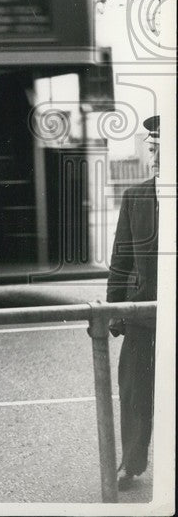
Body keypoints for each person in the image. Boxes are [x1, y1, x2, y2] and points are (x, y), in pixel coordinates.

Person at [107, 114, 160, 491]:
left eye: (161, 150)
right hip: (142, 315)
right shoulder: (135, 196)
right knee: (134, 392)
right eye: (152, 149)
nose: (154, 156)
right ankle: (132, 462)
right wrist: (114, 310)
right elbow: (121, 260)